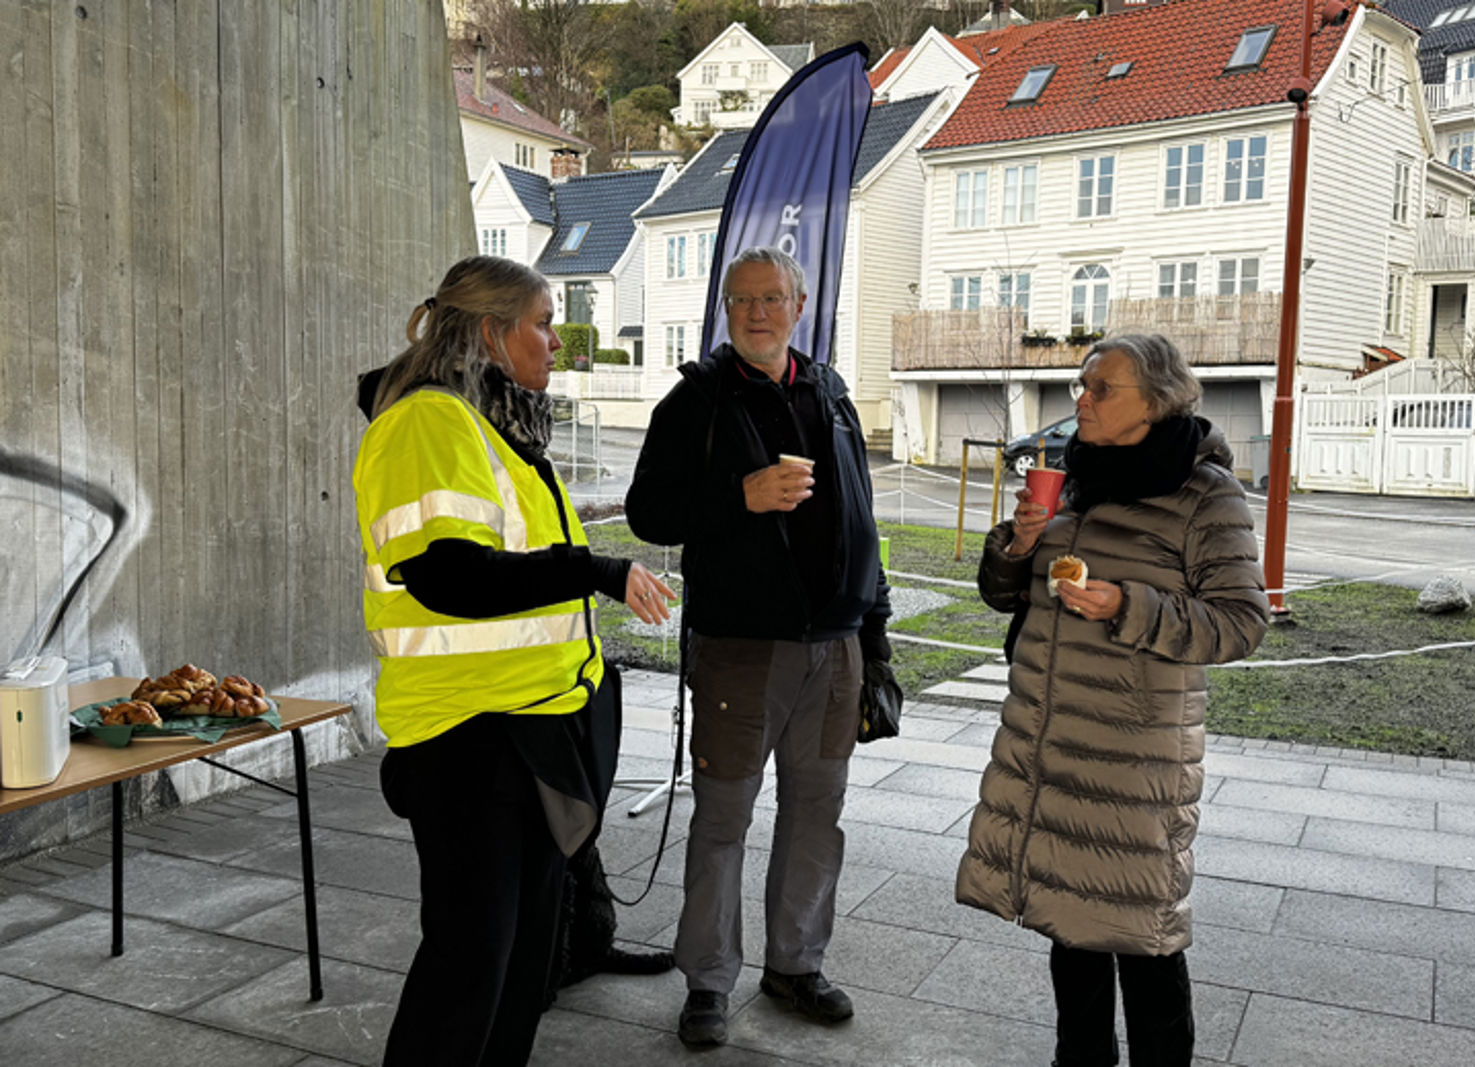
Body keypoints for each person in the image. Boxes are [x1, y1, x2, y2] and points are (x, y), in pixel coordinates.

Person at [352, 255, 676, 1067]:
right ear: (493, 333)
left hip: (529, 731)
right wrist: (593, 570)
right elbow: (448, 575)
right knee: (470, 967)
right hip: (468, 740)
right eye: (542, 320)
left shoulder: (502, 425)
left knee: (525, 964)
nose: (558, 340)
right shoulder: (429, 423)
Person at [957, 334, 1268, 1067]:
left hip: (1133, 757)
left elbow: (1240, 621)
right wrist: (1014, 544)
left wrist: (1128, 603)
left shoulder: (1205, 493)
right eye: (1081, 385)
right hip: (1049, 738)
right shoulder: (1071, 474)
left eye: (1102, 388)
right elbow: (1006, 597)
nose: (1082, 400)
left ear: (1156, 401)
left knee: (1142, 935)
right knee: (1072, 925)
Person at [626, 246, 893, 1048]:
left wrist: (873, 639)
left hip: (836, 648)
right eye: (741, 301)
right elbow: (648, 514)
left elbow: (864, 525)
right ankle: (708, 978)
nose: (756, 313)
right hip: (741, 648)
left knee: (818, 813)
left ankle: (795, 964)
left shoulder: (833, 395)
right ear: (726, 310)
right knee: (723, 818)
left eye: (772, 298)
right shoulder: (695, 404)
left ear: (799, 305)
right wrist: (735, 498)